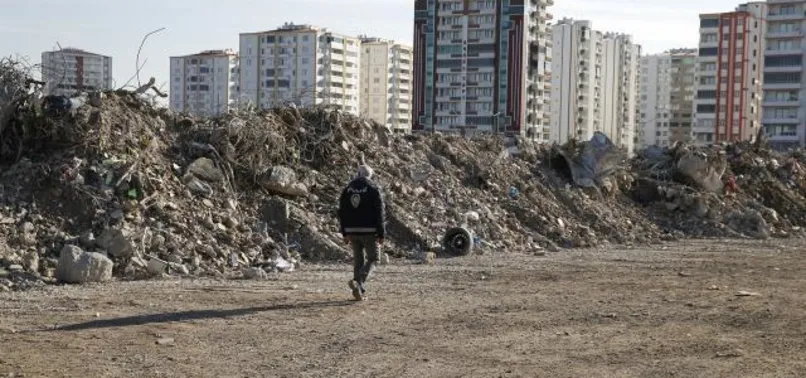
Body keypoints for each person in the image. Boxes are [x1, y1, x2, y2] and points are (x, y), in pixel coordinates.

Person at [338, 164, 385, 301]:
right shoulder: (373, 188)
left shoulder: (347, 189)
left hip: (352, 230)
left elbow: (341, 212)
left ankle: (359, 290)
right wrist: (381, 233)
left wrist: (344, 232)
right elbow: (379, 213)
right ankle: (358, 283)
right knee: (374, 258)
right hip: (369, 230)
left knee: (358, 260)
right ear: (370, 175)